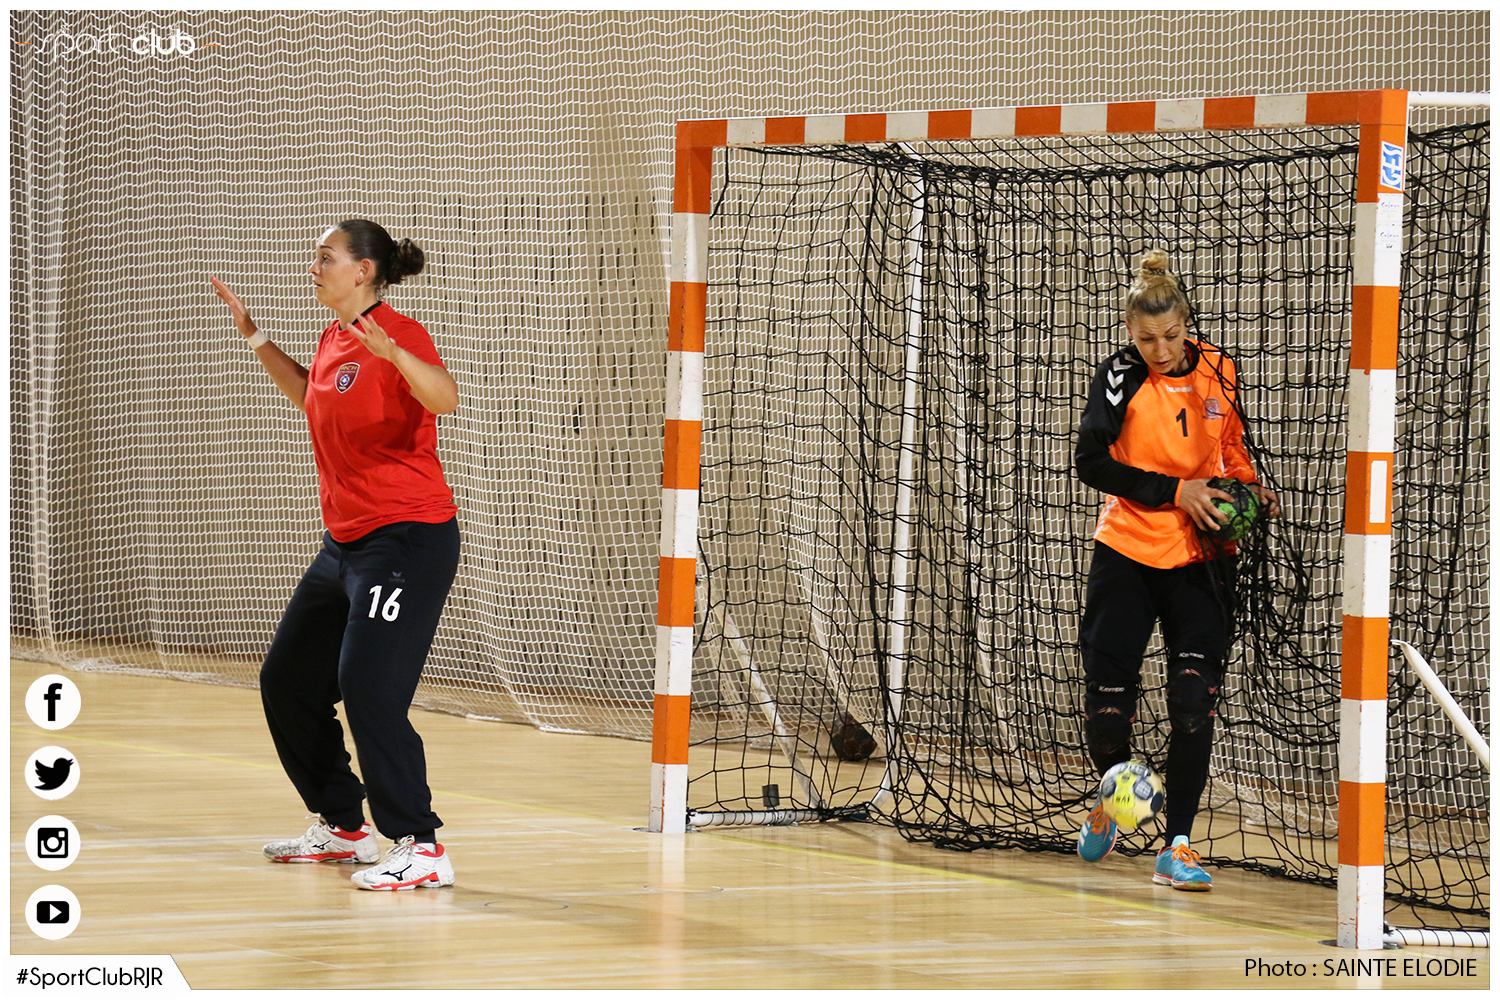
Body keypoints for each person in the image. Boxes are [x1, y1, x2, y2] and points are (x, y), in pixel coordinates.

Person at [210, 219, 462, 890]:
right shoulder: (332, 338)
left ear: (363, 271)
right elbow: (312, 399)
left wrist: (395, 355)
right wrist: (254, 336)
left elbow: (445, 398)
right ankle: (344, 826)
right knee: (288, 680)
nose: (314, 266)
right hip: (344, 544)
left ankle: (420, 846)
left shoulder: (398, 333)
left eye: (326, 257)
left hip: (406, 538)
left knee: (368, 687)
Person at [1072, 249, 1280, 891]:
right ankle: (1113, 801)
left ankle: (1178, 845)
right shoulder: (1119, 376)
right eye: (1146, 339)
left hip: (1201, 558)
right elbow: (1091, 463)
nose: (1160, 350)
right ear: (1129, 333)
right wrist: (1175, 491)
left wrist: (1249, 488)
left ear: (1187, 324)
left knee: (1193, 701)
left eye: (1170, 335)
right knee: (1109, 713)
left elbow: (1230, 447)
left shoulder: (1220, 368)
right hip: (1128, 550)